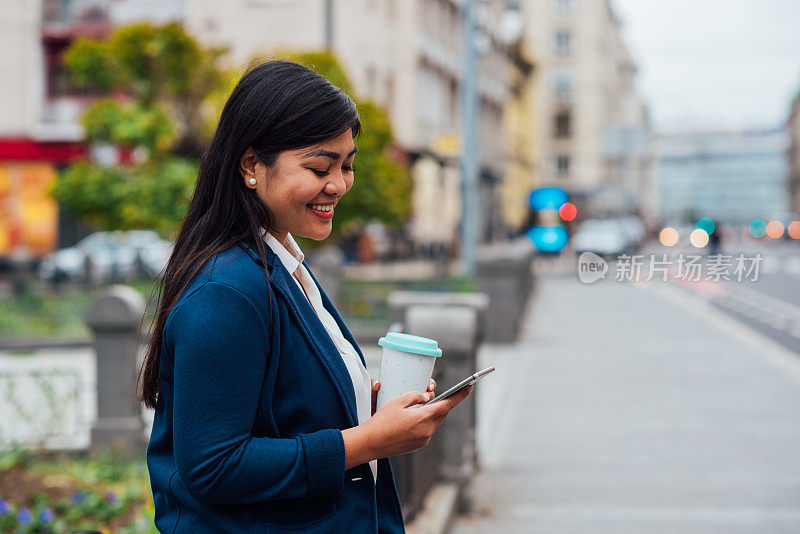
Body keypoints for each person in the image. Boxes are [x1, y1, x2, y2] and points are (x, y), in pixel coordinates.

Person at [137, 60, 472, 533]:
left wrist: (364, 409)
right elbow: (214, 466)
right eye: (319, 167)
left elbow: (282, 415)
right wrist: (369, 441)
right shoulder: (226, 291)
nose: (338, 184)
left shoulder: (283, 263)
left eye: (347, 164)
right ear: (252, 165)